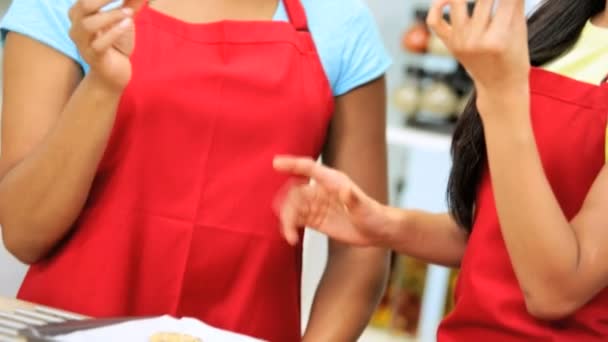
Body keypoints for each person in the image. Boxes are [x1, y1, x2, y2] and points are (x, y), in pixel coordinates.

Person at [0, 0, 392, 340]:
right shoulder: (74, 8)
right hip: (70, 330)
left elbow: (363, 249)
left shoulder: (339, 22)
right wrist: (102, 87)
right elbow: (23, 233)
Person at [273, 0, 608, 340]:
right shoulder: (560, 27)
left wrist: (501, 96)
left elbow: (555, 290)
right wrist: (384, 224)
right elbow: (498, 236)